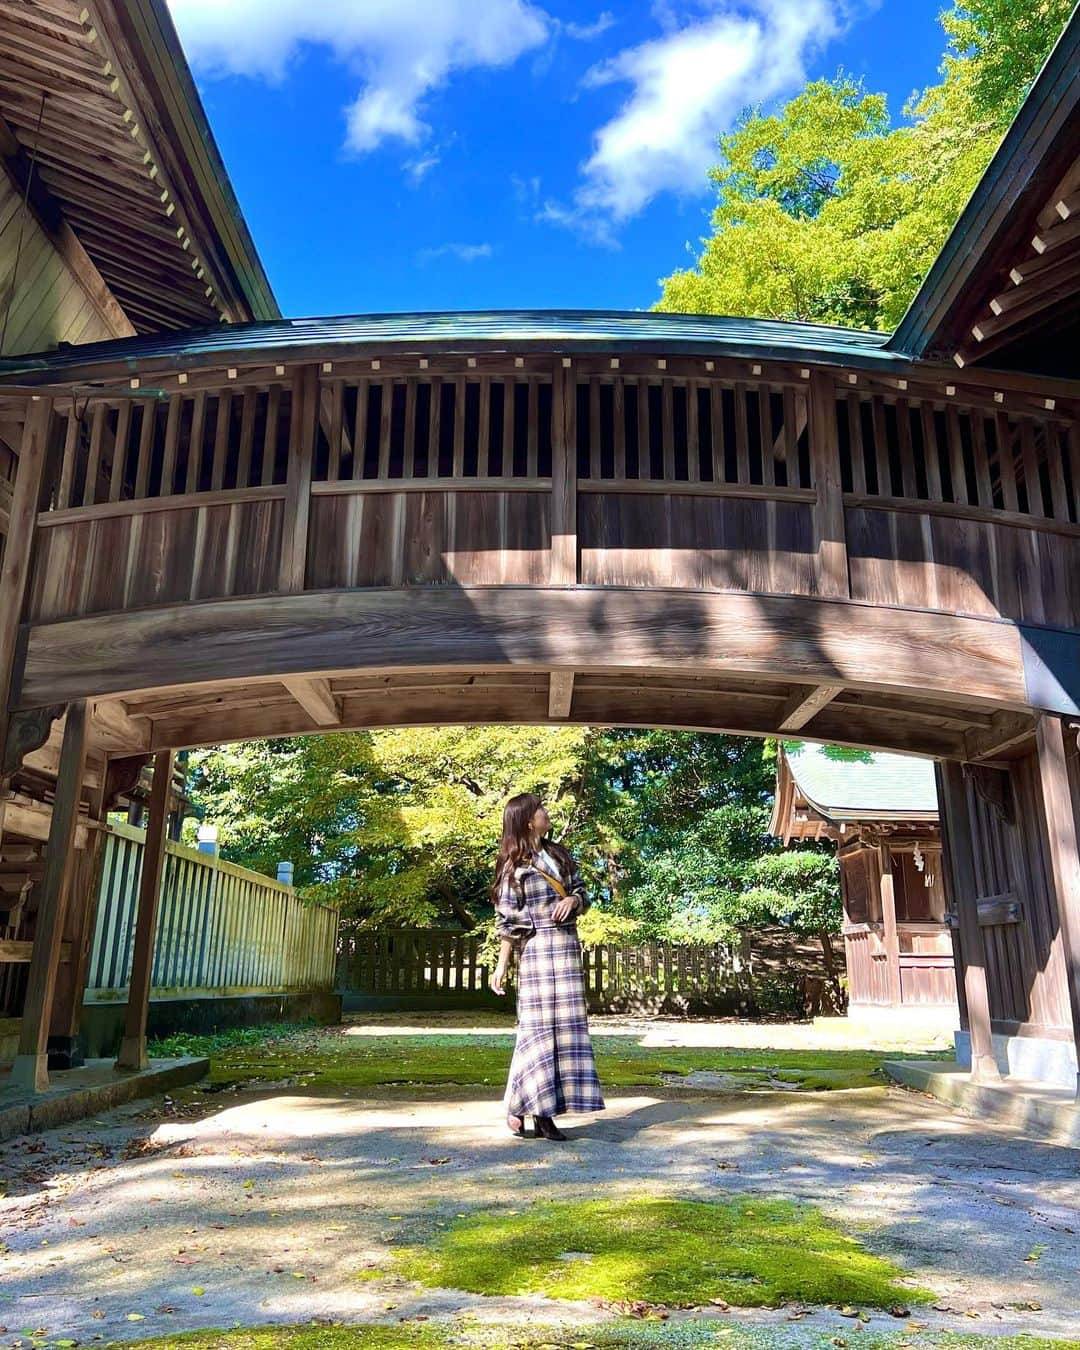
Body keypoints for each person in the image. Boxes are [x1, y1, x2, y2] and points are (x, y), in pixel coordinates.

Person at [491, 791, 605, 1141]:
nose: (547, 812)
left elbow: (584, 893)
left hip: (567, 952)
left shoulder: (559, 855)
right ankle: (537, 1112)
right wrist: (500, 967)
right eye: (541, 809)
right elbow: (507, 922)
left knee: (565, 1031)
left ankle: (529, 1108)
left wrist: (573, 899)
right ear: (528, 819)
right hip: (538, 954)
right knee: (537, 1033)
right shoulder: (514, 866)